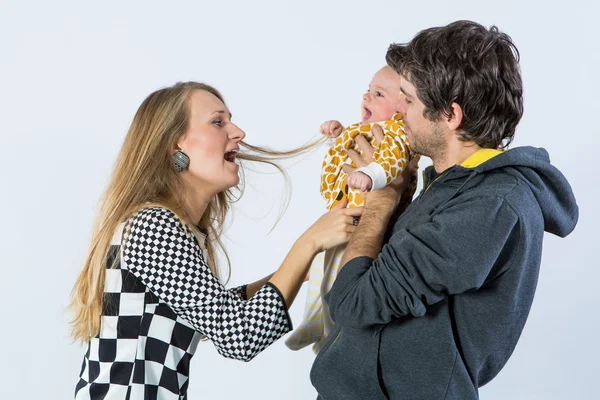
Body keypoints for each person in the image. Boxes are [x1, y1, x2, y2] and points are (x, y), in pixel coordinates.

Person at [310, 20, 578, 399]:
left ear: (451, 116)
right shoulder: (448, 183)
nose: (398, 111)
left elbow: (354, 303)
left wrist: (379, 205)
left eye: (409, 100)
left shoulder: (490, 206)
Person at [69, 81, 363, 399]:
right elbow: (240, 335)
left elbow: (215, 309)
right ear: (175, 145)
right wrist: (308, 242)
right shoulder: (152, 226)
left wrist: (303, 268)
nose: (238, 132)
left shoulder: (162, 225)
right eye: (218, 122)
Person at [286, 66, 415, 352]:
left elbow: (390, 161)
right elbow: (347, 150)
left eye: (378, 94)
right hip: (344, 217)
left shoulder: (396, 135)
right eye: (368, 89)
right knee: (321, 270)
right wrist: (337, 134)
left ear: (402, 108)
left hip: (364, 224)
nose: (366, 96)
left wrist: (372, 176)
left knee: (340, 281)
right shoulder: (365, 131)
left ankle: (331, 335)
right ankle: (313, 322)